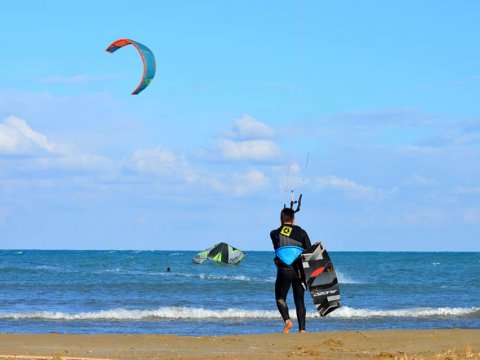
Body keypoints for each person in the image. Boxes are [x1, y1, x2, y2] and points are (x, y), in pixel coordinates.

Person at [270, 207, 311, 334]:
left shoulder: (274, 234)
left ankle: (287, 321)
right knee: (299, 300)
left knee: (280, 298)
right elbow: (309, 251)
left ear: (280, 219)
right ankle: (302, 330)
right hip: (299, 271)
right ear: (294, 219)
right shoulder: (302, 232)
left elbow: (282, 235)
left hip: (284, 270)